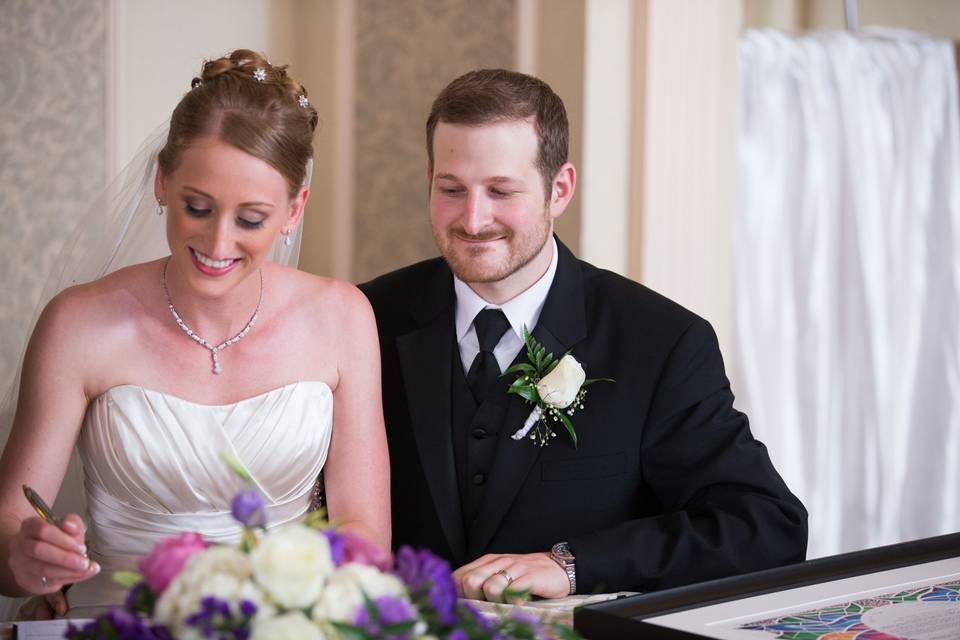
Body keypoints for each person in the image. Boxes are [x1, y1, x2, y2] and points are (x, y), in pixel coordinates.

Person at [360, 69, 807, 602]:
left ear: (560, 189)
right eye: (451, 190)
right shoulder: (365, 318)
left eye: (501, 191)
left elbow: (765, 525)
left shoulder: (660, 342)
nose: (473, 220)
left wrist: (573, 565)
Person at [0, 49, 389, 618]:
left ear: (294, 209)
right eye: (197, 207)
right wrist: (24, 553)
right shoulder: (78, 323)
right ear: (162, 182)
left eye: (251, 219)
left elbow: (365, 535)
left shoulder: (342, 318)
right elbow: (10, 522)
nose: (217, 242)